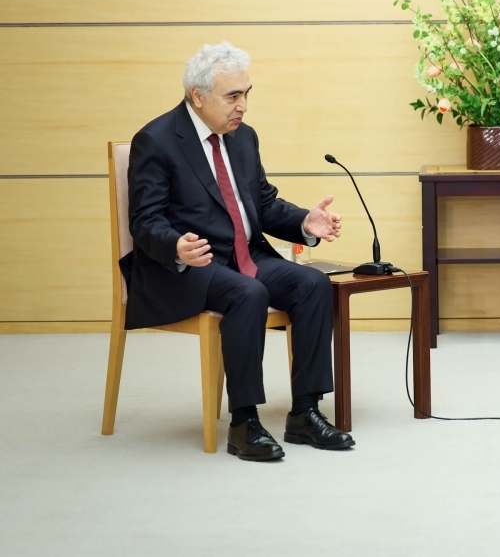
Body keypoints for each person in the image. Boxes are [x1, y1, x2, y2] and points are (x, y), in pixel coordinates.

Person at [121, 41, 354, 461]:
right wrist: (175, 245)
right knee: (248, 294)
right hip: (190, 265)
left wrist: (304, 221)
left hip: (246, 256)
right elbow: (145, 221)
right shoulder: (156, 140)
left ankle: (305, 412)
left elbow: (262, 203)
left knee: (312, 283)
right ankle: (244, 423)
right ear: (198, 96)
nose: (243, 106)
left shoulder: (243, 138)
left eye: (247, 93)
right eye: (233, 96)